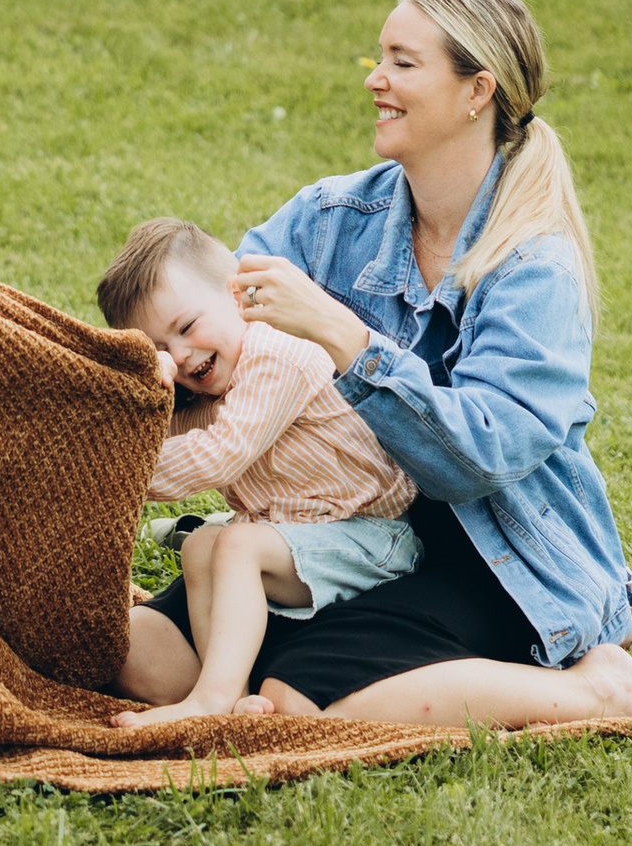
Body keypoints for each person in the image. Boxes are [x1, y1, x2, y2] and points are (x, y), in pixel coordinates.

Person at [117, 0, 632, 730]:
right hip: (335, 533)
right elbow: (208, 323)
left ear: (475, 92)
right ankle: (306, 658)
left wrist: (344, 337)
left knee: (297, 700)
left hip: (490, 551)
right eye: (380, 57)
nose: (375, 79)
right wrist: (145, 369)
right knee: (141, 655)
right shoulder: (332, 216)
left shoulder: (533, 268)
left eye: (403, 62)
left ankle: (598, 687)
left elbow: (478, 461)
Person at [91, 216, 418, 726]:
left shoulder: (277, 354)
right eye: (159, 349)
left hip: (371, 535)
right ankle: (229, 691)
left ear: (238, 295)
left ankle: (210, 702)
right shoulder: (208, 383)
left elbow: (219, 452)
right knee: (202, 544)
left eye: (186, 326)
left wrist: (113, 471)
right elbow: (163, 435)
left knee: (239, 545)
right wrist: (142, 395)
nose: (180, 355)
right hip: (301, 531)